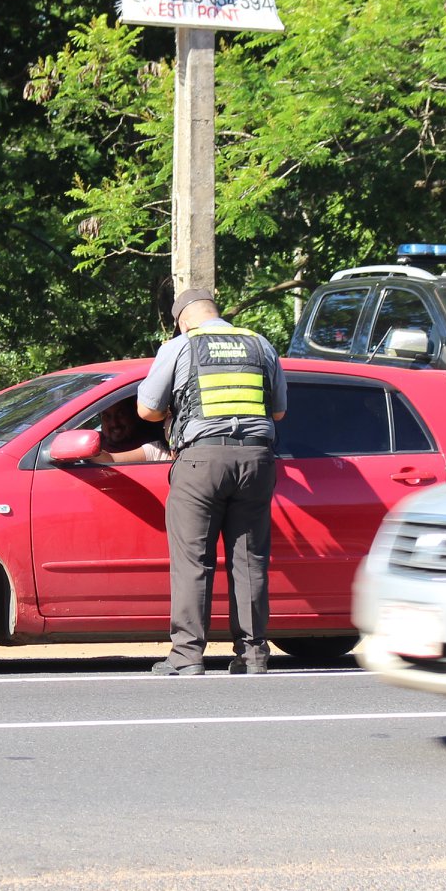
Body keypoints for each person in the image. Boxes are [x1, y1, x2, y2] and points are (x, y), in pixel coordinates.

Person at [136, 288, 287, 675]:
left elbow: (147, 410)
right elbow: (279, 412)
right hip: (257, 460)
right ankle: (253, 655)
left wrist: (173, 411)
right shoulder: (260, 344)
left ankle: (187, 656)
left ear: (183, 320)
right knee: (249, 560)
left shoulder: (180, 345)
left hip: (202, 461)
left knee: (193, 561)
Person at [91, 398, 172, 465]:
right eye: (106, 417)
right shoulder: (95, 440)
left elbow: (111, 461)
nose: (114, 423)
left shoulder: (155, 448)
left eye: (121, 414)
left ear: (134, 416)